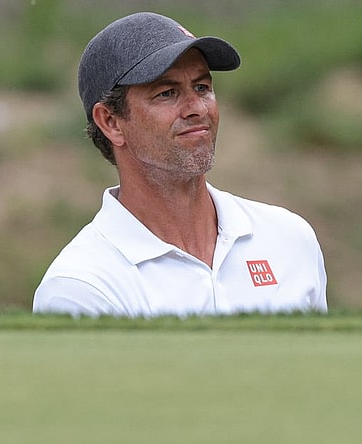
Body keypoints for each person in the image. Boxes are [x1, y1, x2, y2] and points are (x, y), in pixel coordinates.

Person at [33, 12, 327, 317]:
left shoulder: (290, 239)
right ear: (111, 122)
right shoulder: (81, 288)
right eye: (167, 93)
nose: (197, 108)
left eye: (202, 87)